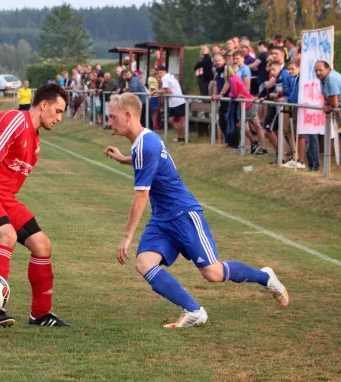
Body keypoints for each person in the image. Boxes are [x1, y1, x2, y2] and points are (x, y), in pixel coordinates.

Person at [102, 93, 290, 328]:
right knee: (144, 263)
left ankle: (266, 277)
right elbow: (147, 160)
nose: (109, 123)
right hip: (162, 218)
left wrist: (126, 237)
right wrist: (123, 159)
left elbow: (142, 195)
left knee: (212, 273)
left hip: (183, 215)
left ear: (128, 115)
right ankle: (193, 310)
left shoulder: (146, 143)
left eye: (112, 117)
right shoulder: (143, 141)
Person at [0, 84, 72, 329]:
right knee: (6, 235)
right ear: (44, 105)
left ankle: (40, 315)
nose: (60, 118)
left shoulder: (35, 140)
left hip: (2, 196)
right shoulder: (15, 121)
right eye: (58, 111)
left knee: (42, 245)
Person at [156, 65, 185, 142]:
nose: (159, 75)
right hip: (176, 101)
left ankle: (182, 137)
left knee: (179, 120)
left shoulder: (164, 78)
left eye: (160, 73)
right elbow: (166, 89)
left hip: (177, 101)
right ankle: (180, 136)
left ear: (164, 71)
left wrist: (156, 92)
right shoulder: (170, 76)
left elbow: (166, 91)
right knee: (172, 119)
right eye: (158, 73)